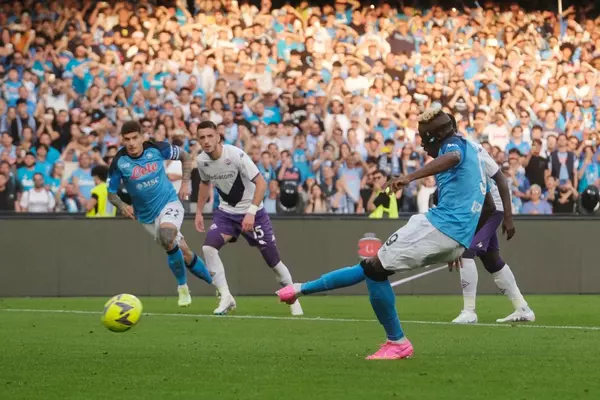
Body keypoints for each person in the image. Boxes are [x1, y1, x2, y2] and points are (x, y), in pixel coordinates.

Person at [277, 109, 486, 359]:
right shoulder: (474, 150)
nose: (421, 144)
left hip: (442, 226)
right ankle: (300, 289)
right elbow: (488, 201)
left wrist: (410, 177)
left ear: (436, 136)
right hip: (455, 234)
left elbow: (452, 156)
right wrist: (460, 240)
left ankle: (397, 341)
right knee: (371, 267)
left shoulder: (452, 146)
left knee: (374, 270)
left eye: (424, 138)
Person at [194, 121, 303, 316]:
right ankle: (226, 296)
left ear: (218, 136)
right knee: (208, 248)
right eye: (202, 137)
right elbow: (204, 184)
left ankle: (293, 298)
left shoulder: (235, 155)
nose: (206, 141)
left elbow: (261, 183)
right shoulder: (202, 161)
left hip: (254, 213)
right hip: (226, 213)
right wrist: (199, 212)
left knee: (274, 262)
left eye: (210, 136)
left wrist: (251, 212)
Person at [107, 121, 213, 307]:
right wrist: (122, 205)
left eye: (134, 138)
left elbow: (185, 156)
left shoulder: (157, 148)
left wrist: (185, 183)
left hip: (169, 202)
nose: (131, 143)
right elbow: (111, 193)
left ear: (142, 137)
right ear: (122, 140)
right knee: (185, 252)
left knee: (167, 235)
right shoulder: (119, 162)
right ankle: (216, 284)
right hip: (146, 216)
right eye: (127, 139)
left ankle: (182, 287)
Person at [450, 126, 535, 324]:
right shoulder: (451, 153)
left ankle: (469, 312)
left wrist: (508, 217)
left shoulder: (472, 150)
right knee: (493, 261)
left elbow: (501, 180)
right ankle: (523, 308)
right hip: (478, 210)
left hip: (492, 208)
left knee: (466, 252)